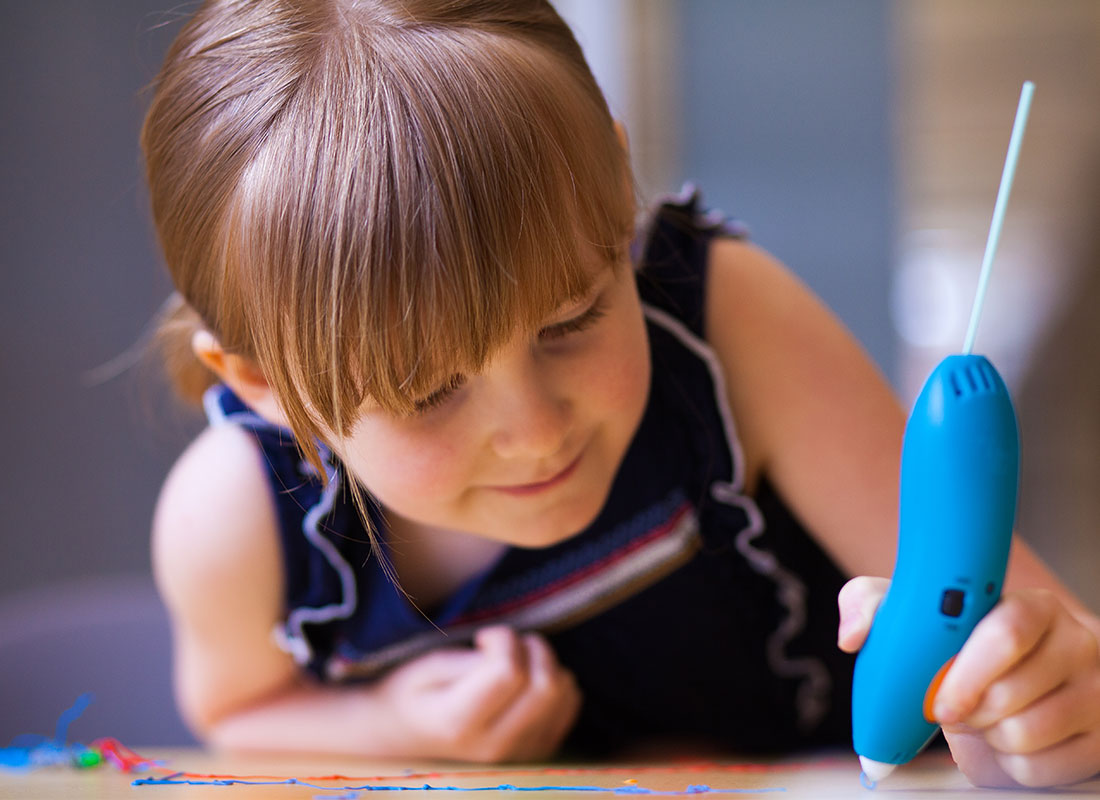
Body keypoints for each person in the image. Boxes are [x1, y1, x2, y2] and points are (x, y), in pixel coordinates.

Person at [143, 0, 1100, 786]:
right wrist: (391, 722)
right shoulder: (233, 521)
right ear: (264, 384)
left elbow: (1025, 647)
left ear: (616, 190)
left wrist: (1022, 712)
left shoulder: (730, 328)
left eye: (570, 322)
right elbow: (239, 714)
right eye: (428, 391)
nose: (534, 430)